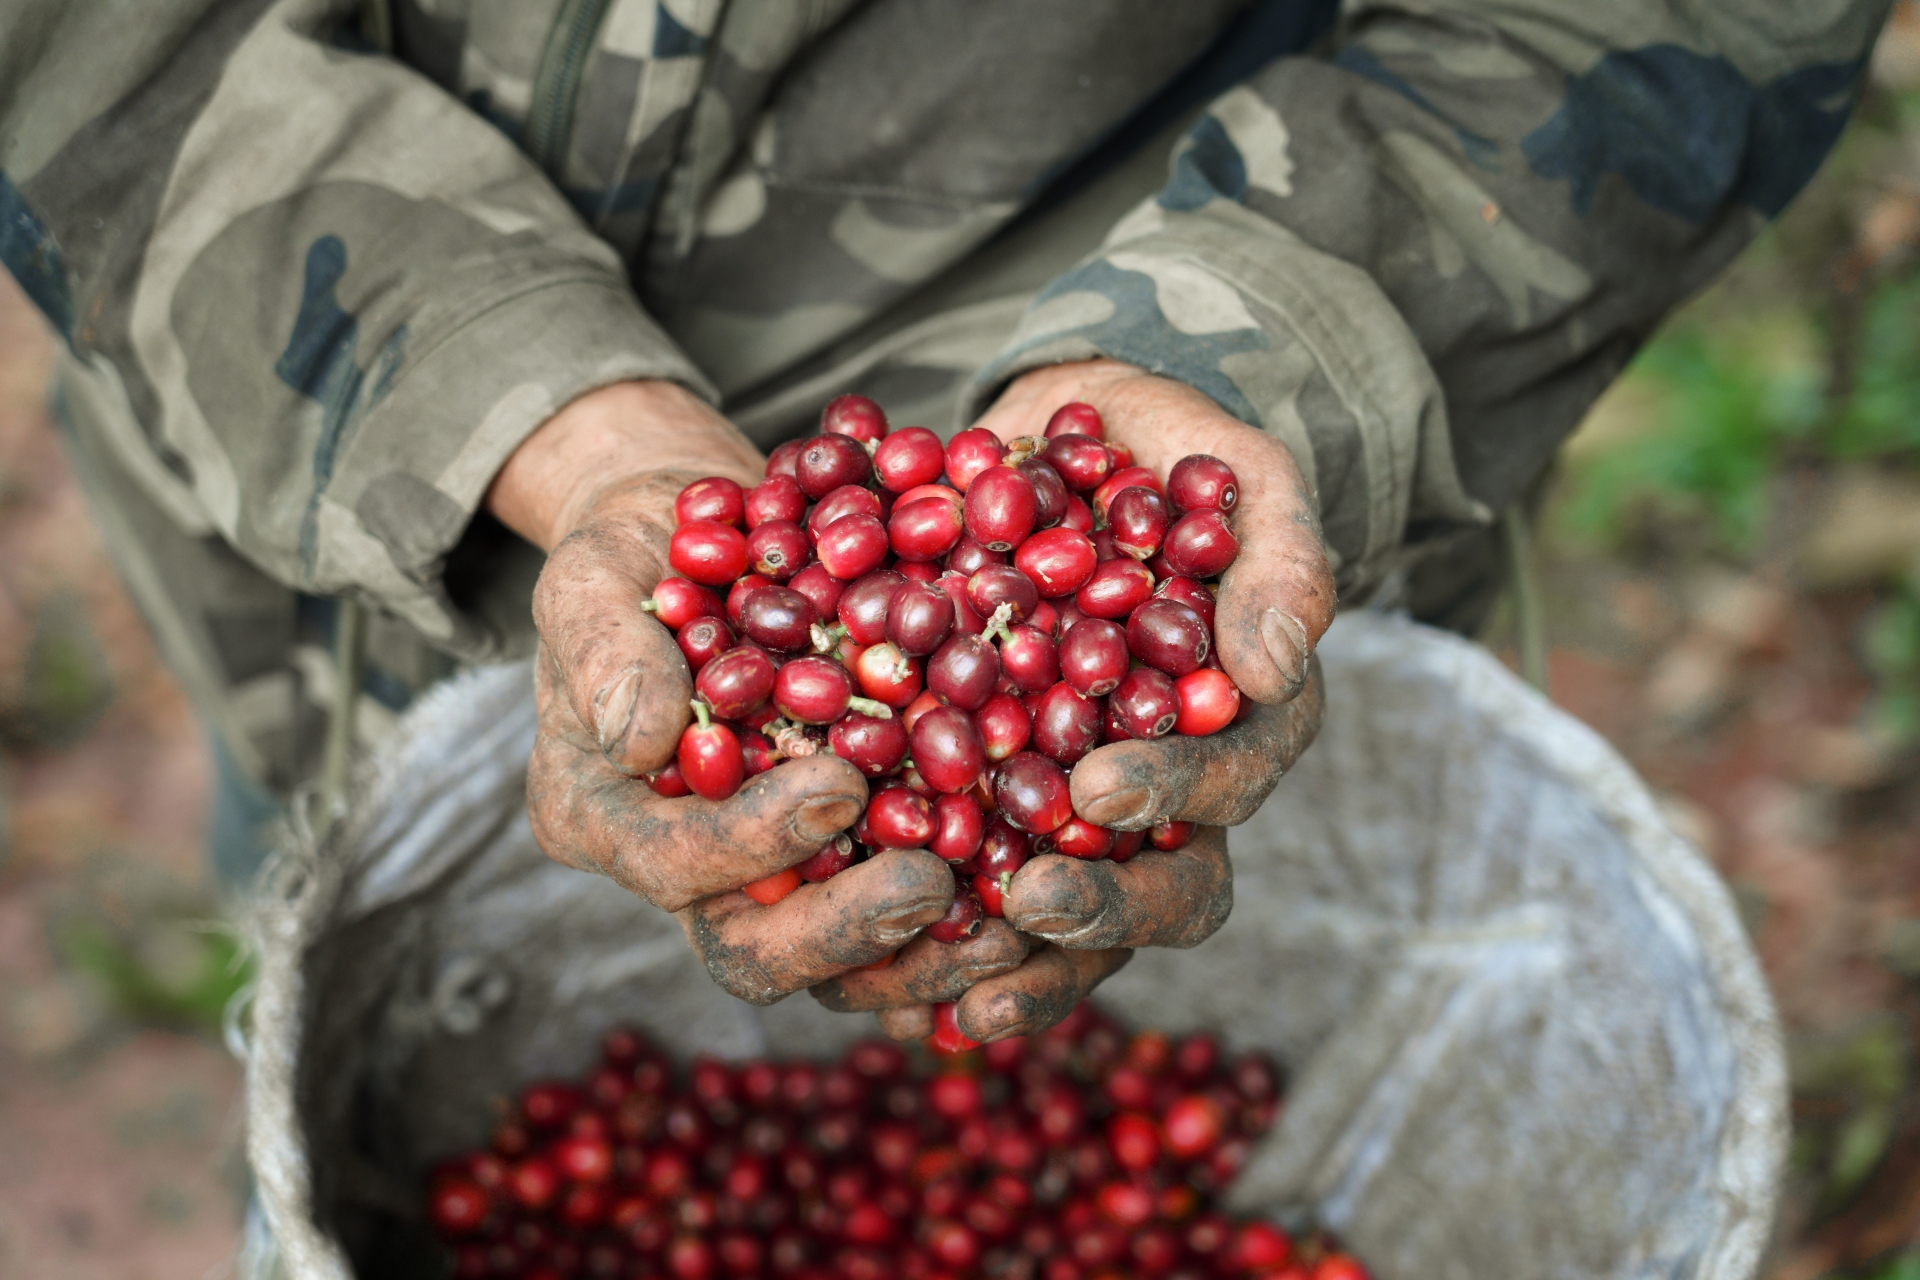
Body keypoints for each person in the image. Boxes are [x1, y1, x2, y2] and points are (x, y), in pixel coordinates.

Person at [0, 0, 1889, 1045]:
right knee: (345, 892)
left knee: (1225, 1002)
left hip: (1194, 283)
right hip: (316, 442)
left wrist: (1272, 336)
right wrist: (527, 416)